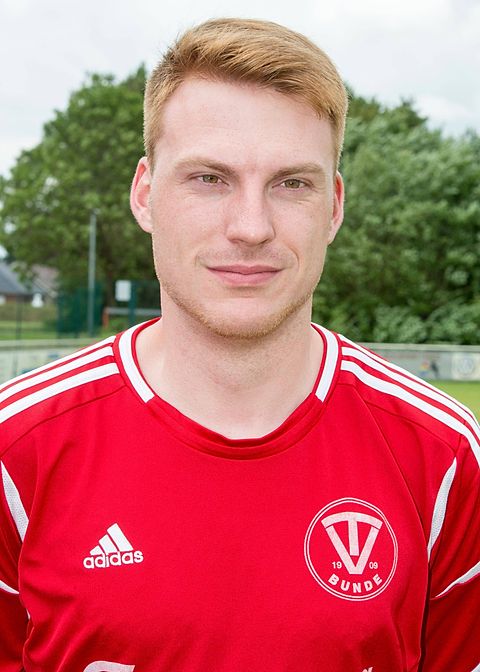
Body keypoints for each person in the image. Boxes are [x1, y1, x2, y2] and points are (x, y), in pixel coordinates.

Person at [0, 18, 478, 672]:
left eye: (292, 183)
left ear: (334, 206)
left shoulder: (444, 456)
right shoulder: (16, 449)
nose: (251, 227)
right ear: (145, 195)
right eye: (209, 178)